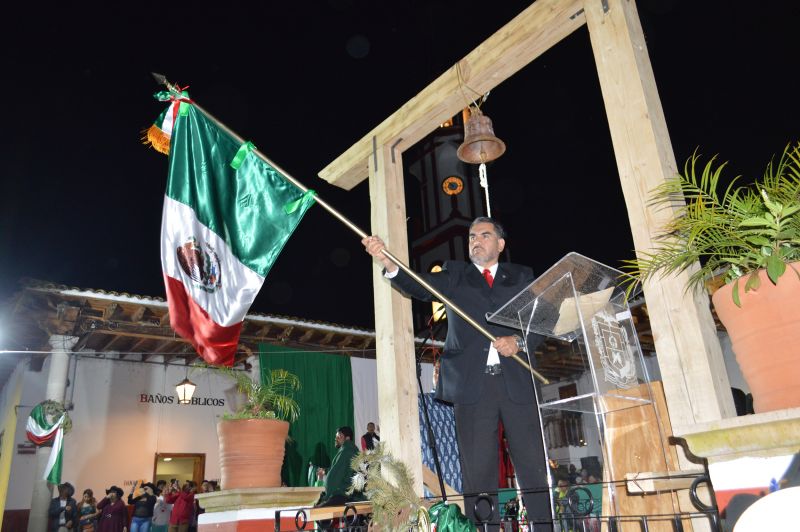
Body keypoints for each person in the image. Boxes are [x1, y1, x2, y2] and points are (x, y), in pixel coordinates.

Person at [363, 217, 550, 529]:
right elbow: (418, 284)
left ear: (500, 244)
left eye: (484, 235)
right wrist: (387, 260)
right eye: (472, 236)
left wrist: (519, 342)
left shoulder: (521, 276)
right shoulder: (456, 275)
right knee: (478, 470)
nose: (476, 240)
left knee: (532, 464)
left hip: (517, 383)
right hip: (473, 387)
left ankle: (544, 527)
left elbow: (543, 321)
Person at [315, 426, 362, 507]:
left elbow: (336, 476)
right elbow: (342, 471)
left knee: (319, 511)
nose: (336, 438)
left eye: (339, 436)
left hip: (342, 494)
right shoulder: (350, 449)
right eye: (336, 436)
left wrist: (327, 495)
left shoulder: (347, 451)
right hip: (348, 494)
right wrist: (325, 471)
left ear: (347, 438)